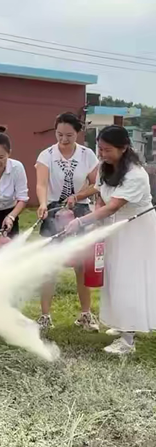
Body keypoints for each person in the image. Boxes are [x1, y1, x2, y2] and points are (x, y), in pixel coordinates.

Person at [66, 126, 156, 354]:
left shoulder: (136, 174)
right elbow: (100, 194)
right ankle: (121, 323)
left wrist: (82, 221)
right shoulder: (106, 168)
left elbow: (114, 206)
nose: (101, 154)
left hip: (135, 229)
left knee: (129, 278)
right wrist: (83, 203)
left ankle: (128, 340)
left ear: (123, 148)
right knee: (114, 275)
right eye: (100, 148)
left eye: (106, 150)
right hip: (115, 227)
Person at [35, 112, 99, 331]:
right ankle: (45, 316)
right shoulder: (47, 155)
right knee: (48, 265)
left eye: (69, 135)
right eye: (59, 134)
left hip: (80, 211)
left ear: (78, 134)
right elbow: (41, 184)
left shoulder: (87, 155)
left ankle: (85, 314)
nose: (63, 139)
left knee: (81, 264)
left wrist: (78, 197)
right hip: (53, 209)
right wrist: (43, 204)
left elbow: (96, 184)